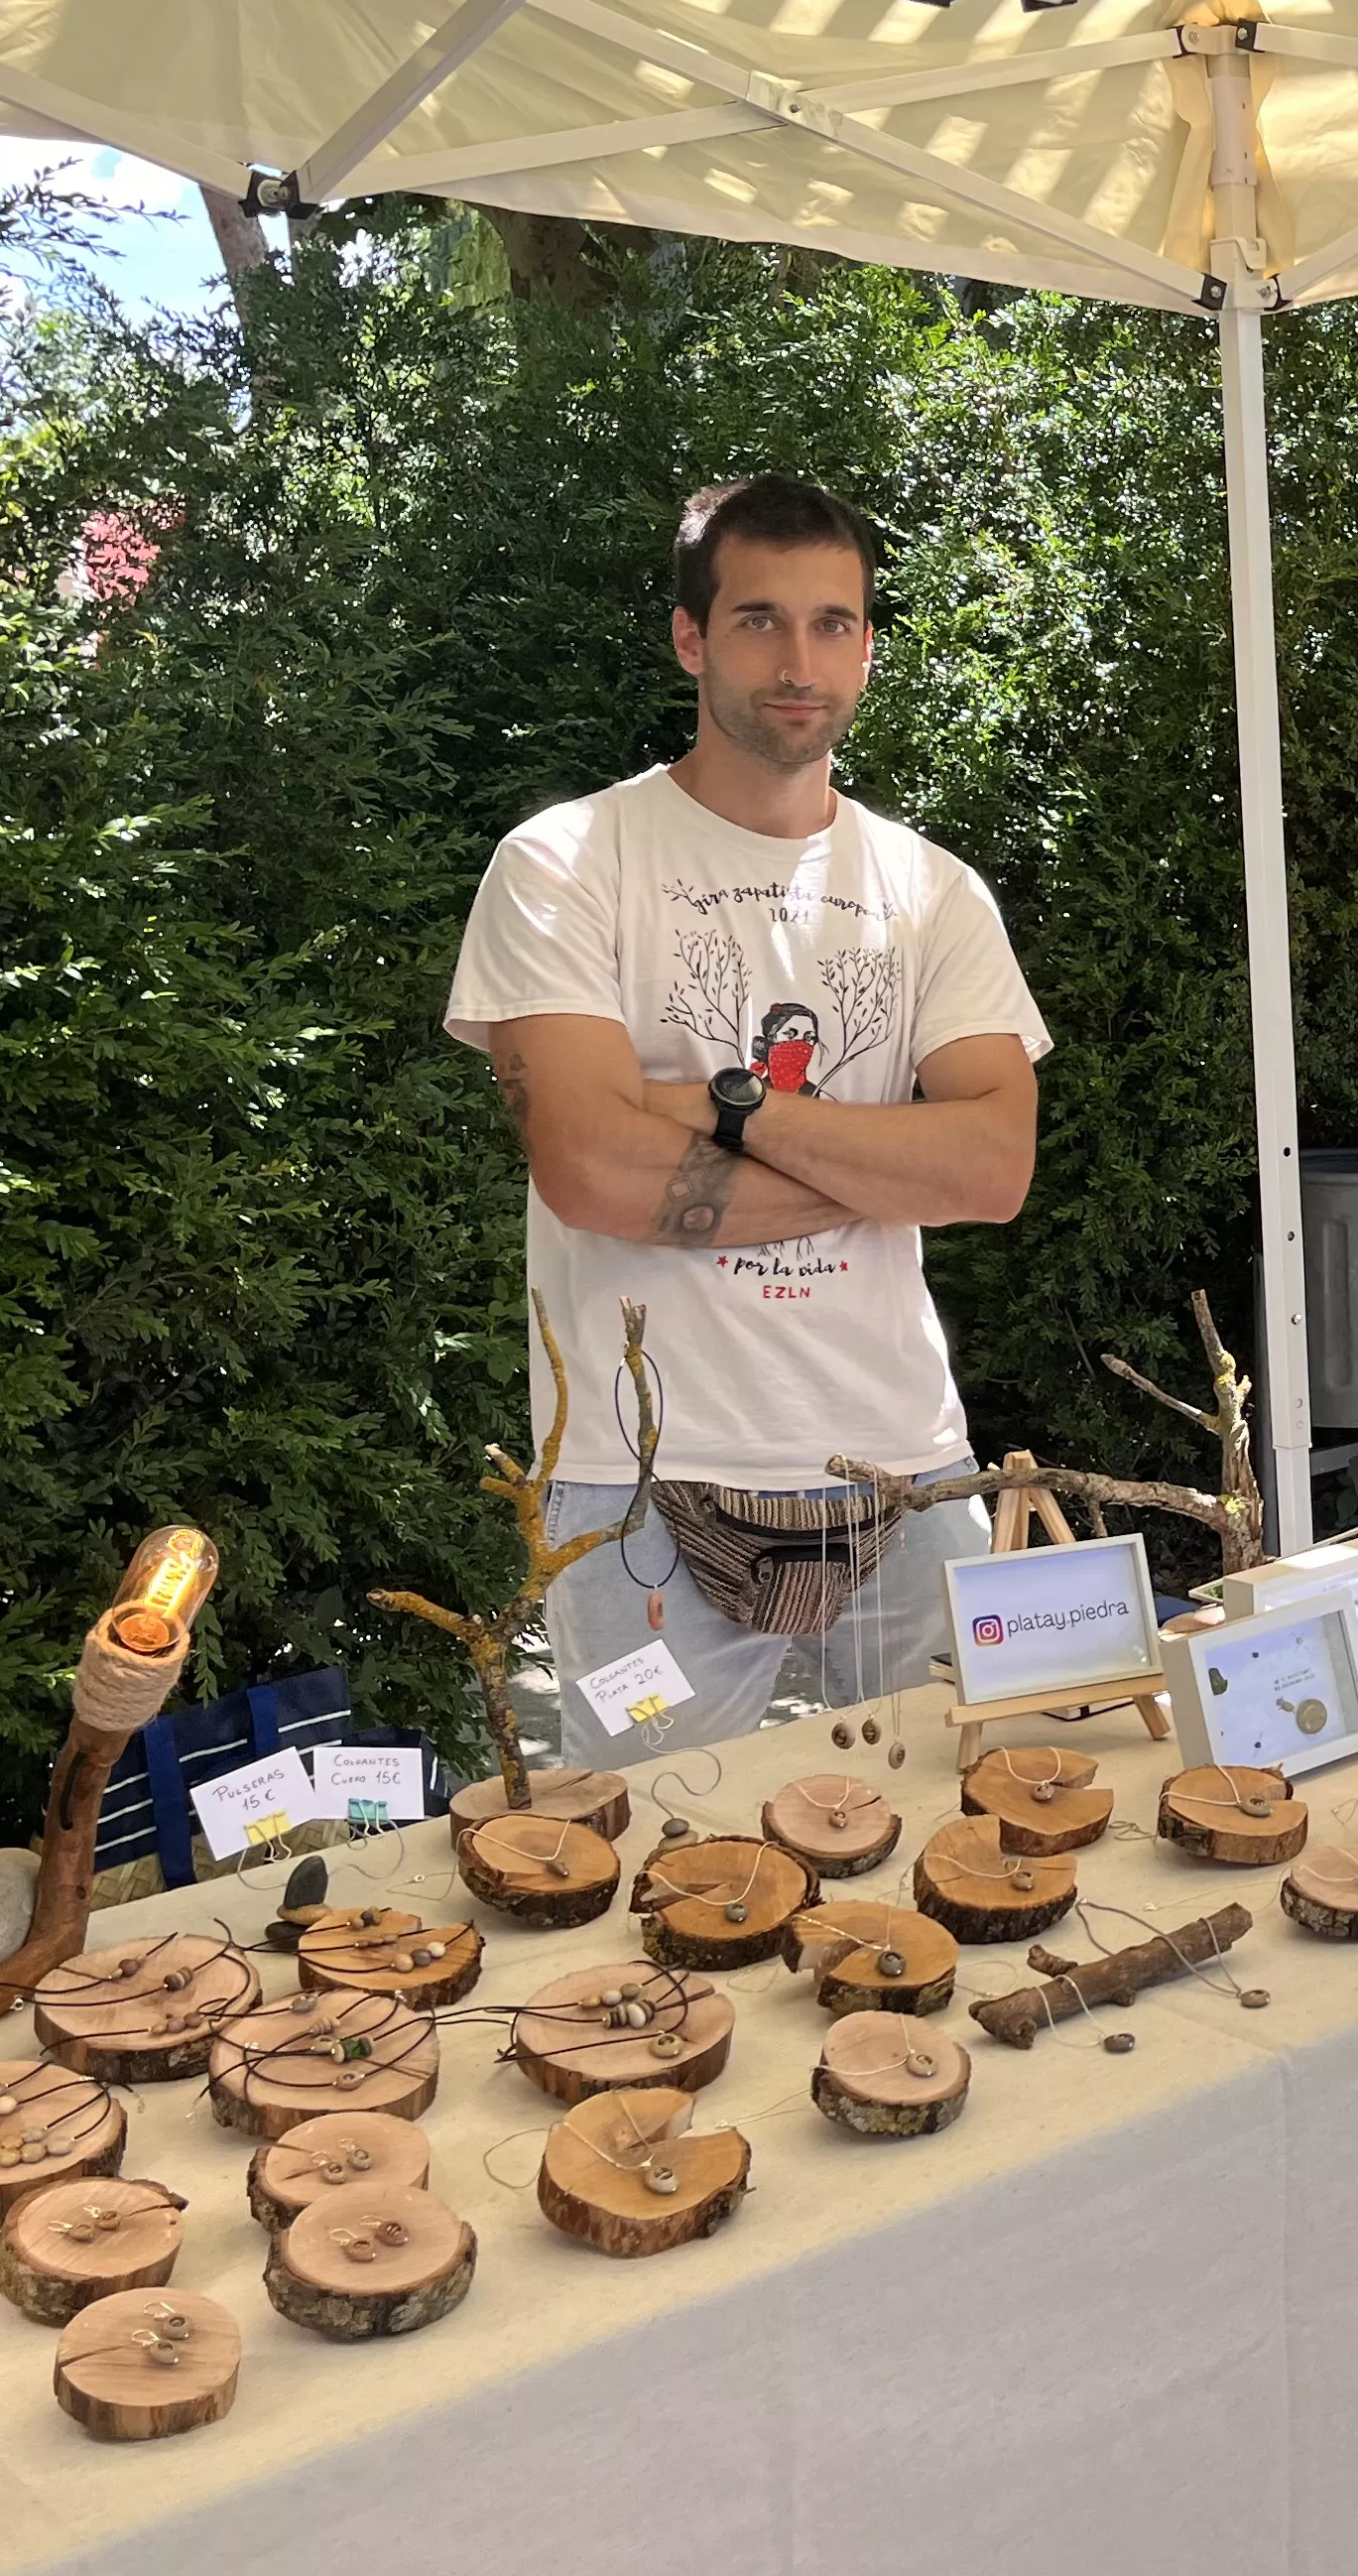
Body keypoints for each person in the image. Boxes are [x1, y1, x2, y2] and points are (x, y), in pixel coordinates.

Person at [446, 474, 1049, 1751]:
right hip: (639, 1486)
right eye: (760, 619)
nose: (798, 661)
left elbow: (994, 1166)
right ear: (691, 637)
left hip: (905, 1466)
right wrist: (887, 1168)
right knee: (662, 1844)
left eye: (834, 624)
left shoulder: (931, 891)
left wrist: (715, 1105)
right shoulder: (564, 864)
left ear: (868, 648)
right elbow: (594, 1172)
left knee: (966, 1811)